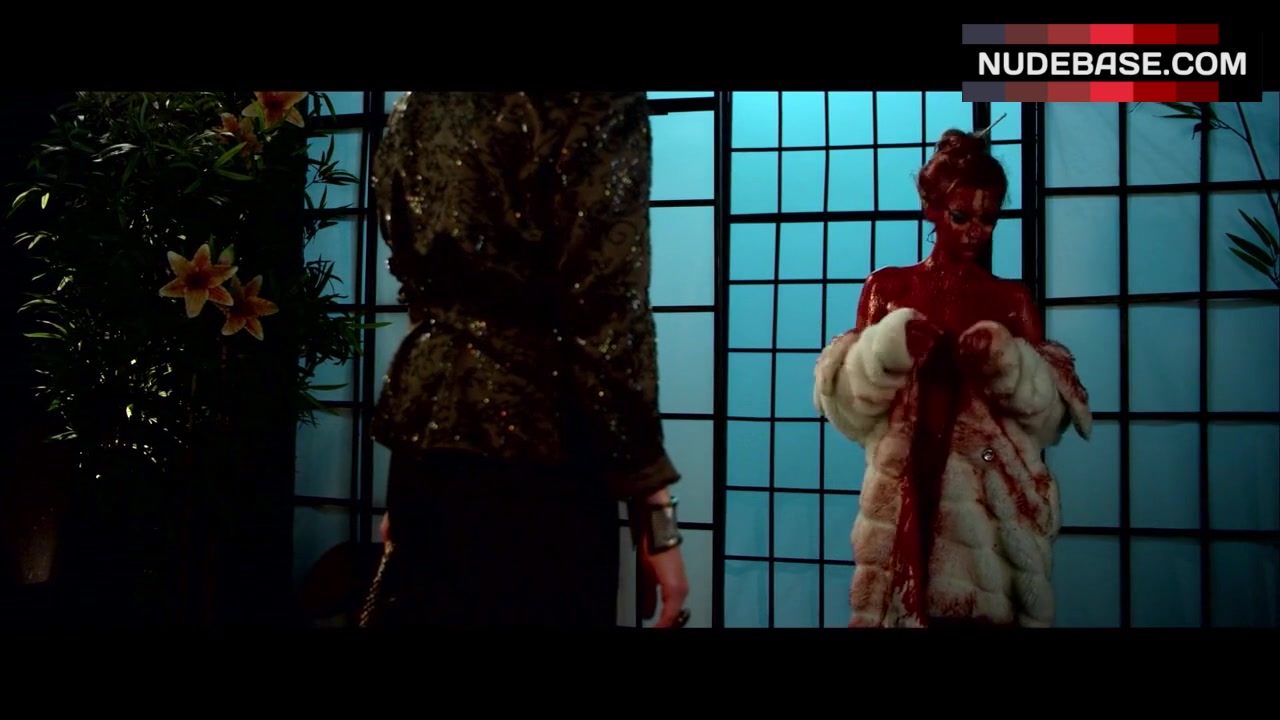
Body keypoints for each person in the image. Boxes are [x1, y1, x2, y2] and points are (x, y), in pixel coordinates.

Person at [357, 92, 690, 628]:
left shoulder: (416, 103)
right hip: (540, 451)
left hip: (424, 447)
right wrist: (656, 511)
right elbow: (605, 306)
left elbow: (418, 279)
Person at [813, 125, 1093, 628]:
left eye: (989, 219)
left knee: (978, 608)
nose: (975, 231)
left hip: (985, 485)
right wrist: (888, 349)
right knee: (898, 602)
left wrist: (1005, 361)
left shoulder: (1010, 299)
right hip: (904, 477)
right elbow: (849, 407)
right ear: (931, 208)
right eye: (961, 216)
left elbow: (1049, 418)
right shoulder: (888, 288)